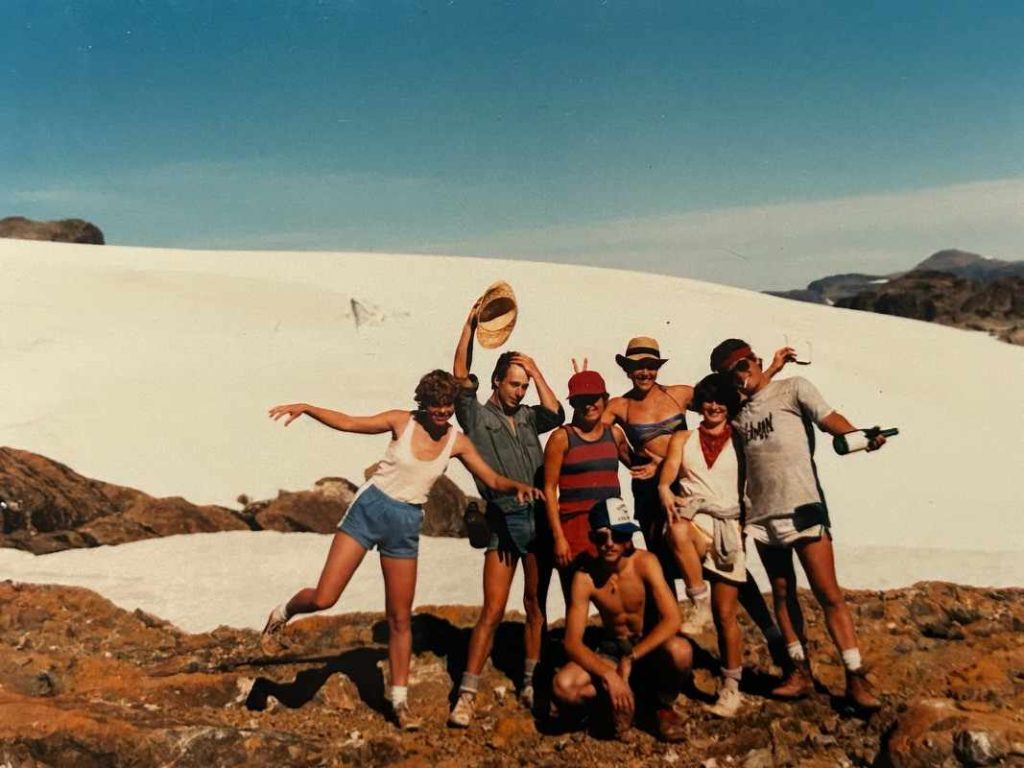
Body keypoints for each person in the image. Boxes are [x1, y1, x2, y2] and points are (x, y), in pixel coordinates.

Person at [259, 370, 541, 731]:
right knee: (325, 597)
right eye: (436, 406)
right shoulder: (402, 421)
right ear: (423, 404)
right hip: (369, 510)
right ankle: (281, 613)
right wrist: (308, 408)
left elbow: (492, 479)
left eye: (448, 406)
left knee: (400, 617)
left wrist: (516, 486)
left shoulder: (457, 441)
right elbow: (349, 423)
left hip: (406, 524)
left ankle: (400, 701)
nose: (442, 413)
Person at [710, 339, 887, 711]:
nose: (741, 376)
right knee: (782, 592)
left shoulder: (794, 388)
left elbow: (828, 419)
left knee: (828, 593)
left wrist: (859, 436)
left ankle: (855, 676)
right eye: (731, 374)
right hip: (762, 513)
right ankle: (799, 672)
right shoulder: (738, 415)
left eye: (744, 365)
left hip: (804, 506)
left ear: (754, 360)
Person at [604, 337, 787, 634]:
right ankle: (673, 639)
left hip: (692, 484)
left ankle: (769, 630)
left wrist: (772, 372)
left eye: (650, 366)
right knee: (662, 564)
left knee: (722, 556)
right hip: (651, 493)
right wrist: (633, 460)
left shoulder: (679, 395)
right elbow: (593, 430)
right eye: (637, 367)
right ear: (627, 369)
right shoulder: (620, 406)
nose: (644, 372)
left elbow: (729, 398)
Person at [448, 301, 564, 728]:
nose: (520, 392)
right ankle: (467, 692)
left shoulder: (531, 417)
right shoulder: (477, 417)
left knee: (535, 604)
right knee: (492, 610)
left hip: (536, 521)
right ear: (496, 382)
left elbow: (557, 412)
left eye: (523, 386)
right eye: (514, 384)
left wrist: (535, 370)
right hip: (502, 520)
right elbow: (461, 376)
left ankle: (531, 680)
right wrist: (468, 326)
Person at [658, 373, 786, 718]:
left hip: (729, 526)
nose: (713, 407)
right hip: (696, 520)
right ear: (699, 403)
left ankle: (731, 688)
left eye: (720, 401)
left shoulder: (743, 438)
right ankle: (697, 600)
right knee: (677, 530)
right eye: (708, 400)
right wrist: (665, 492)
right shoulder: (682, 439)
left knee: (726, 614)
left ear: (729, 405)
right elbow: (667, 478)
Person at [551, 498, 692, 743]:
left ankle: (661, 706)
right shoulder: (585, 578)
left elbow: (672, 619)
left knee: (680, 651)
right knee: (563, 685)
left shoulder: (645, 563)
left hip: (647, 647)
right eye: (600, 537)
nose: (609, 544)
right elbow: (572, 643)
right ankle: (623, 702)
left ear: (627, 536)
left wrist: (632, 657)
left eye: (616, 535)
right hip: (612, 649)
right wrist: (609, 675)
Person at [542, 368, 654, 603]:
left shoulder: (614, 434)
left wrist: (662, 462)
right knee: (575, 596)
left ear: (605, 399)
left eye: (594, 398)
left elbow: (639, 465)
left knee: (622, 592)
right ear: (573, 404)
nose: (589, 405)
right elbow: (549, 490)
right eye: (581, 400)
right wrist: (558, 537)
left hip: (614, 524)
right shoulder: (561, 438)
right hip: (574, 526)